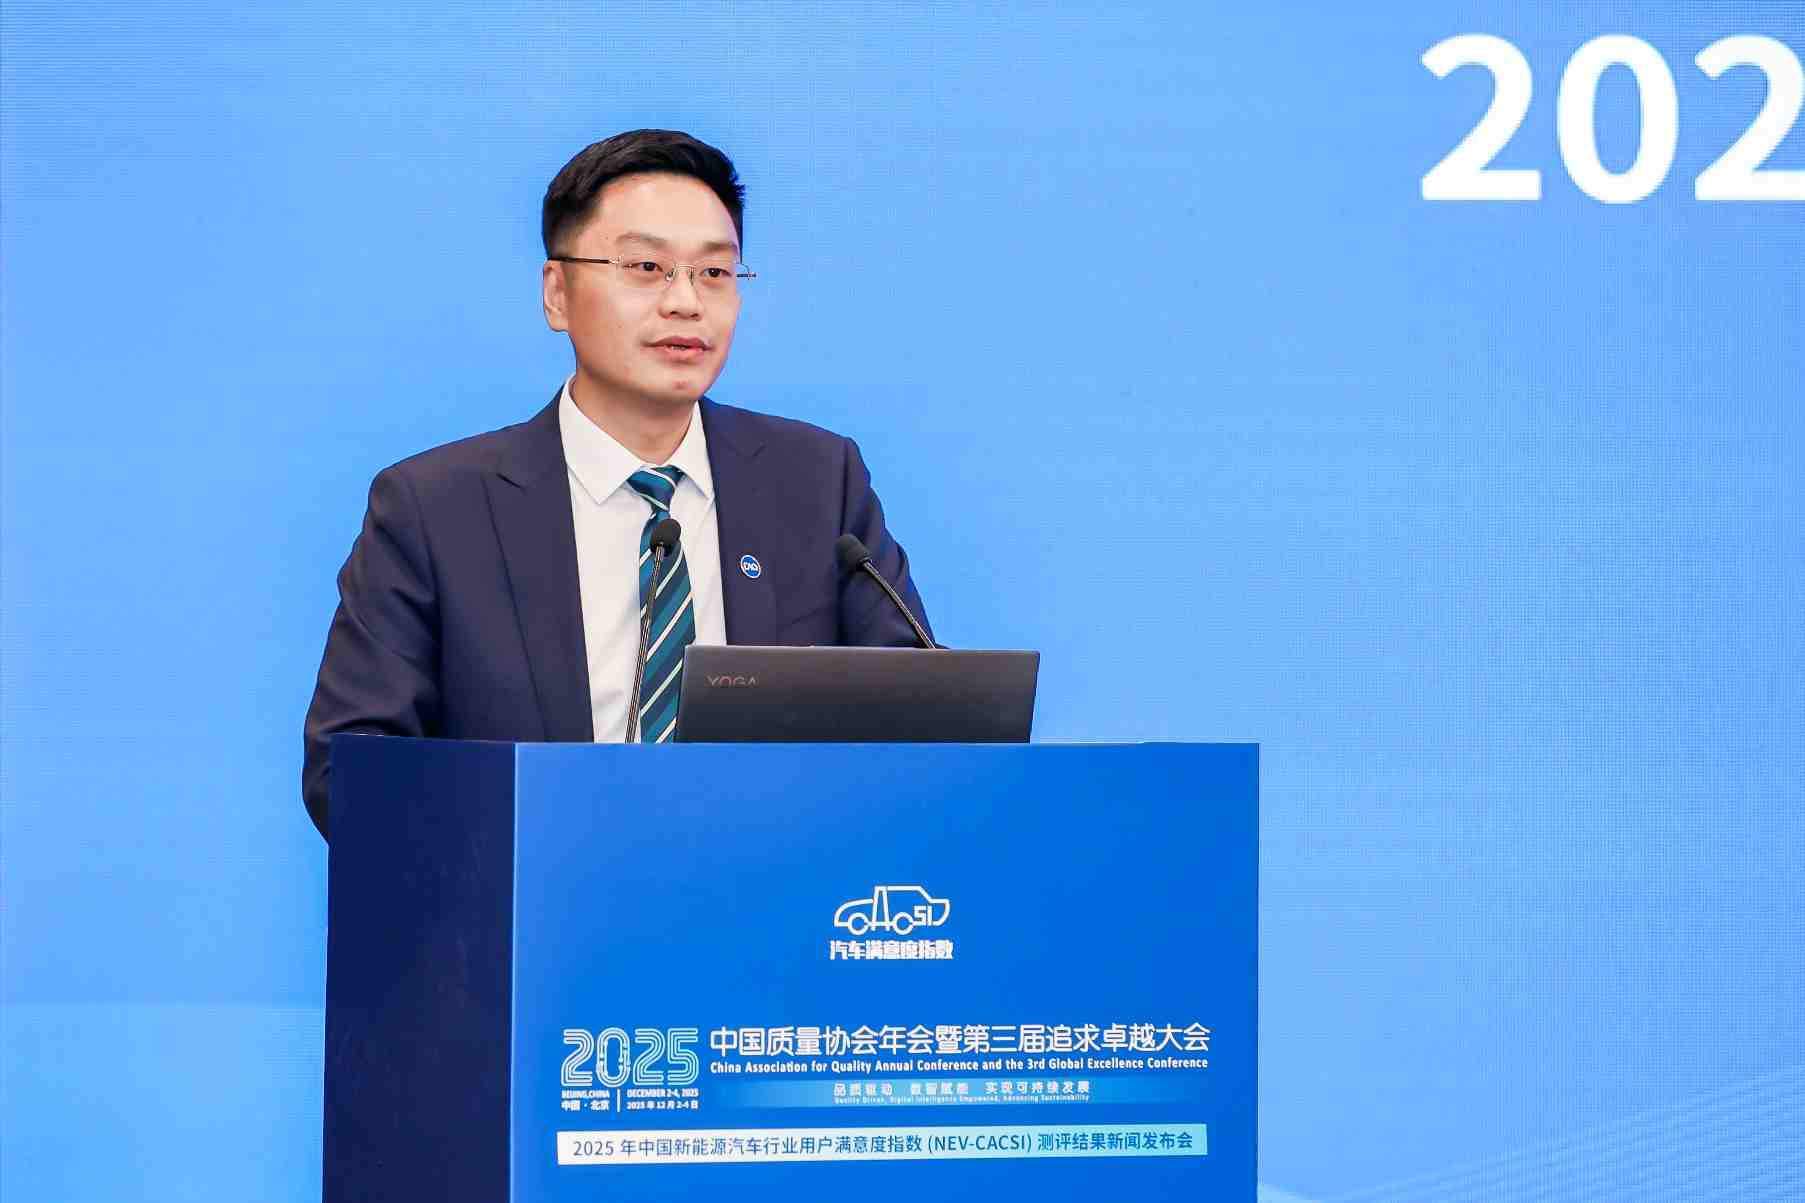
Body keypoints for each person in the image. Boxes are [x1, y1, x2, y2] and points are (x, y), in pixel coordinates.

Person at [301, 129, 931, 838]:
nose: (685, 302)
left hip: (778, 886)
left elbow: (918, 722)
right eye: (646, 267)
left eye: (715, 272)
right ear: (557, 293)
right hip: (538, 893)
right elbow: (351, 771)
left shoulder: (816, 480)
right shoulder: (434, 509)